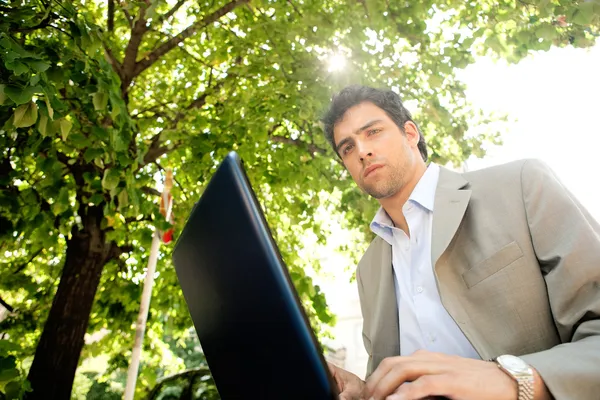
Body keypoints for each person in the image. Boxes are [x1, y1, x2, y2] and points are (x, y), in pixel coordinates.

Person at [321, 85, 600, 400]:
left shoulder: (521, 185)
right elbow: (392, 376)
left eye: (372, 132)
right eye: (347, 147)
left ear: (410, 133)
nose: (361, 151)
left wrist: (515, 381)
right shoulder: (368, 270)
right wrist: (364, 391)